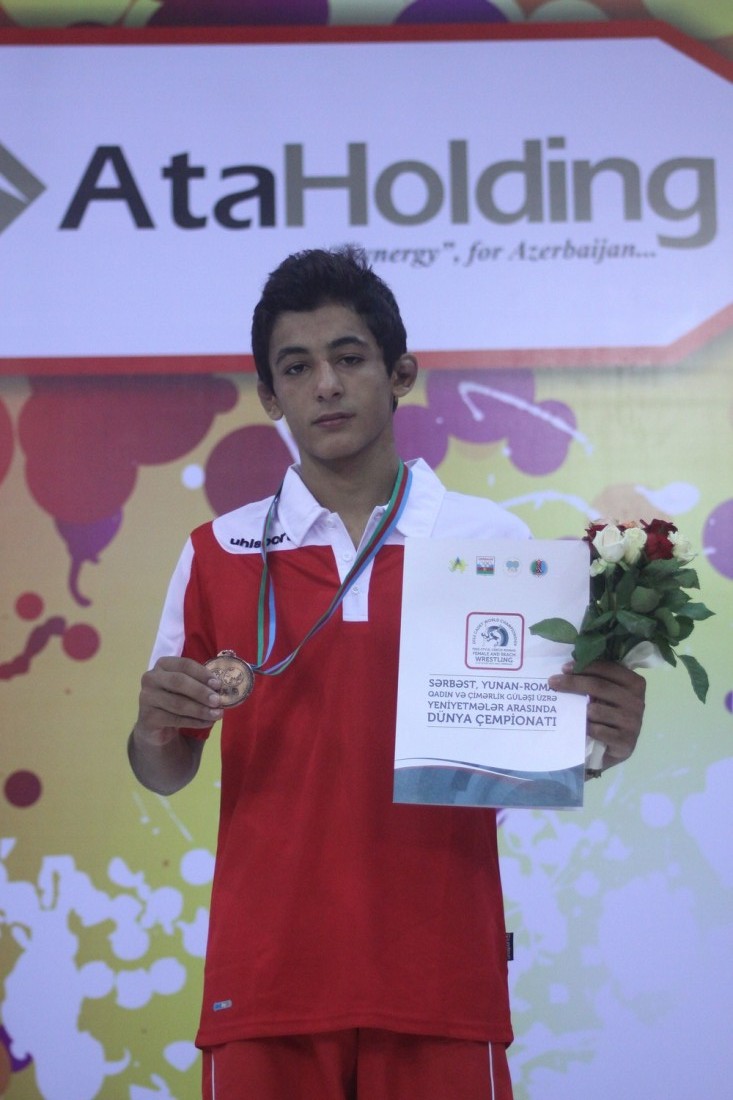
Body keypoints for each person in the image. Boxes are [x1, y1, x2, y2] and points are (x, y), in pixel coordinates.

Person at [128, 246, 646, 1100]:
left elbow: (535, 750)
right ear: (270, 396)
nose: (326, 385)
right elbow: (164, 767)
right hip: (265, 974)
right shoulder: (218, 551)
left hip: (439, 972)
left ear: (399, 373)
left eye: (349, 358)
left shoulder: (491, 546)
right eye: (297, 367)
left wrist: (601, 742)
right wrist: (153, 730)